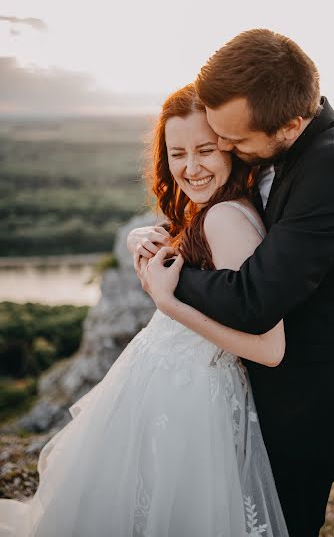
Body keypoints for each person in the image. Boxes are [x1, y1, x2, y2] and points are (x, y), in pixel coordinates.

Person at [0, 84, 289, 537]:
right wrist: (144, 236)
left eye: (205, 150)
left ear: (231, 149)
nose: (190, 168)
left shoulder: (225, 218)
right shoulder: (212, 210)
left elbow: (270, 349)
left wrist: (168, 304)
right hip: (172, 391)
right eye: (177, 154)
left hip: (193, 401)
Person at [129, 28, 334, 537]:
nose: (225, 148)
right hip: (239, 398)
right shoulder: (268, 146)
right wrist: (166, 239)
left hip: (299, 404)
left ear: (288, 124)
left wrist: (169, 281)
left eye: (234, 141)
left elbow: (254, 298)